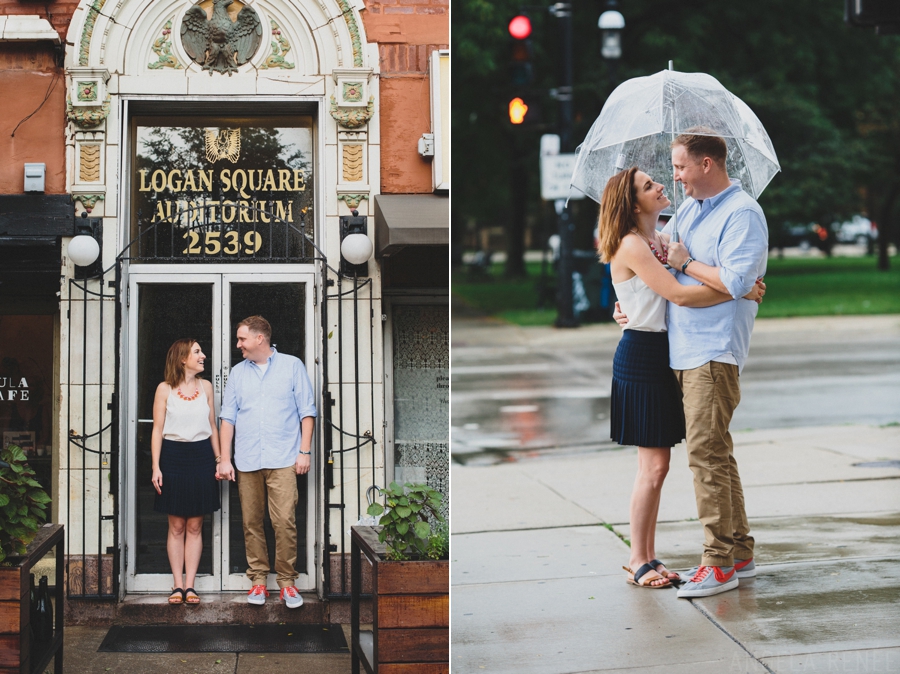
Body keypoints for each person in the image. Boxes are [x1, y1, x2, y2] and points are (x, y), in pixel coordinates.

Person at [616, 128, 769, 598]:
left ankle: (718, 563)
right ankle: (739, 552)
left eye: (680, 166)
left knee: (705, 456)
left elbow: (733, 276)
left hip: (713, 348)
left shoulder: (742, 213)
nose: (674, 176)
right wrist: (626, 303)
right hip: (678, 351)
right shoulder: (688, 211)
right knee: (716, 452)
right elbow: (650, 263)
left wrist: (696, 267)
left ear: (706, 164)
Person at [217, 315, 316, 608]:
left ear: (260, 338)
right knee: (251, 523)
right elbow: (228, 418)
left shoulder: (292, 366)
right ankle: (258, 581)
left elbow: (306, 411)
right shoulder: (237, 373)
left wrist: (305, 451)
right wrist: (224, 459)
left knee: (284, 521)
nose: (238, 345)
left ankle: (287, 583)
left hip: (284, 458)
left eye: (242, 339)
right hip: (246, 459)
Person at [151, 339, 221, 605]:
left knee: (195, 524)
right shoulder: (164, 389)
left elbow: (212, 425)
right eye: (197, 352)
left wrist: (218, 458)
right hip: (173, 456)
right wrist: (156, 466)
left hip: (201, 456)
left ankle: (190, 586)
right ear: (182, 358)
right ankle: (177, 585)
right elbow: (157, 430)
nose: (203, 355)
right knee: (177, 525)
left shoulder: (206, 387)